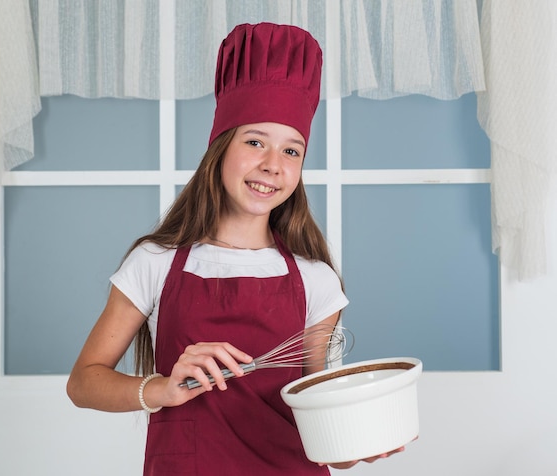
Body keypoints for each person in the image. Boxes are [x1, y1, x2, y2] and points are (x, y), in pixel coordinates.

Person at [67, 22, 403, 475]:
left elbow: (318, 421)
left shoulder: (316, 280)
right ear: (220, 148)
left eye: (292, 151)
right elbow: (83, 383)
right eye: (255, 142)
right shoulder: (155, 261)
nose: (272, 165)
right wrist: (163, 388)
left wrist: (354, 445)